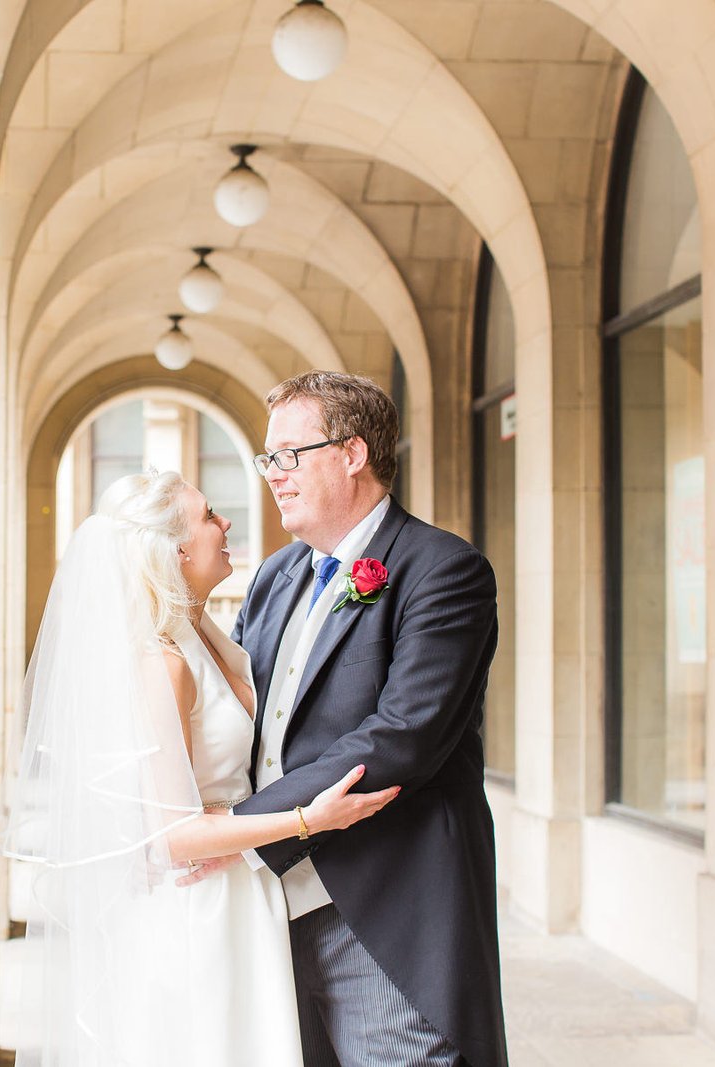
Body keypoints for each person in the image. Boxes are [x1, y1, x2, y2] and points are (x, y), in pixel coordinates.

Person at [0, 469, 400, 1066]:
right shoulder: (162, 664)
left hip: (240, 894)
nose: (226, 523)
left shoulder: (201, 633)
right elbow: (174, 838)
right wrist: (310, 818)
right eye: (210, 515)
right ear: (177, 549)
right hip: (196, 908)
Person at [181, 371, 508, 1067]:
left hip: (388, 911)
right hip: (267, 914)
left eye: (289, 455)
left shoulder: (444, 570)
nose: (273, 475)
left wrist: (240, 831)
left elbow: (404, 735)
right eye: (268, 459)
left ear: (353, 453)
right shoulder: (273, 576)